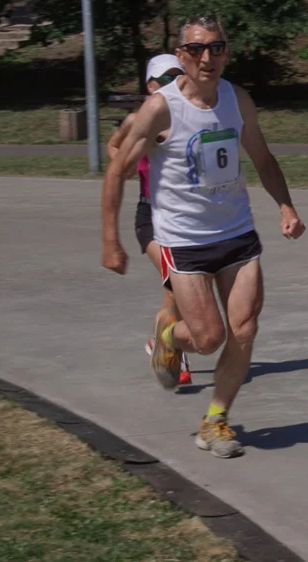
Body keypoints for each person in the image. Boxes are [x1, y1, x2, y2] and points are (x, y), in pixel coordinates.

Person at [101, 15, 306, 459]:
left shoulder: (238, 99)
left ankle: (215, 421)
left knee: (244, 329)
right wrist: (110, 240)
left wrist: (286, 206)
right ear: (181, 56)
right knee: (208, 338)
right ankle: (167, 337)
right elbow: (116, 171)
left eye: (216, 47)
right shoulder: (161, 108)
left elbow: (262, 158)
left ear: (227, 53)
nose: (206, 57)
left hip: (236, 232)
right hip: (184, 241)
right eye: (195, 49)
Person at [106, 54, 192, 387]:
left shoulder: (190, 117)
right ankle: (173, 353)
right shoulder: (137, 120)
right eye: (165, 79)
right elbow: (113, 145)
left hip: (182, 217)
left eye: (178, 77)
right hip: (151, 217)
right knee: (177, 282)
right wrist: (125, 162)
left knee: (179, 286)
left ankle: (160, 340)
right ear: (150, 85)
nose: (173, 84)